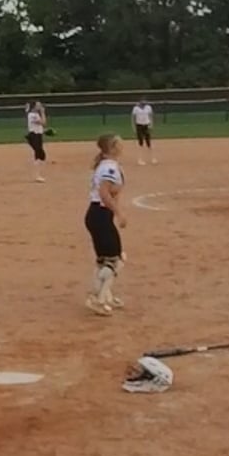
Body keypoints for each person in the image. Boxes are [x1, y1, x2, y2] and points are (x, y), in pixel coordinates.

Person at [83, 132, 129, 316]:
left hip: (97, 216)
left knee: (104, 260)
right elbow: (104, 193)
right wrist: (119, 213)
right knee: (116, 260)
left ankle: (105, 296)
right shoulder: (109, 167)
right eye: (119, 143)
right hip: (100, 215)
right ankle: (97, 298)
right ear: (113, 148)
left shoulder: (107, 165)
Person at [25, 101, 49, 182]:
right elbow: (43, 123)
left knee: (42, 155)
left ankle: (38, 174)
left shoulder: (35, 114)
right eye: (38, 105)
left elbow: (38, 126)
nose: (40, 106)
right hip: (34, 136)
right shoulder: (32, 115)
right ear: (34, 106)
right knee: (38, 153)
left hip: (38, 136)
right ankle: (37, 176)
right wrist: (43, 112)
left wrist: (44, 131)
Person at [131, 100, 157, 165]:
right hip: (139, 126)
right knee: (140, 142)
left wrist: (151, 124)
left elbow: (150, 116)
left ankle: (152, 158)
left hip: (146, 125)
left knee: (149, 142)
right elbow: (133, 118)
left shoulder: (148, 107)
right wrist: (134, 127)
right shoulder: (136, 108)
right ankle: (140, 159)